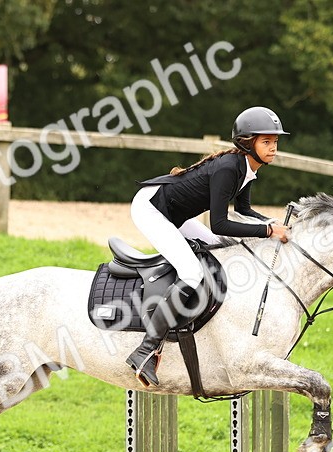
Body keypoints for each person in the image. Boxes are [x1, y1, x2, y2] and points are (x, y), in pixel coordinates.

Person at [124, 106, 293, 387]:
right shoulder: (229, 169)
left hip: (175, 213)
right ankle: (146, 350)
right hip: (151, 208)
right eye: (267, 142)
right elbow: (219, 224)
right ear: (247, 143)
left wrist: (274, 224)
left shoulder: (248, 169)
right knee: (191, 272)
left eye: (275, 142)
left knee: (218, 249)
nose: (273, 148)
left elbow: (244, 209)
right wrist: (267, 231)